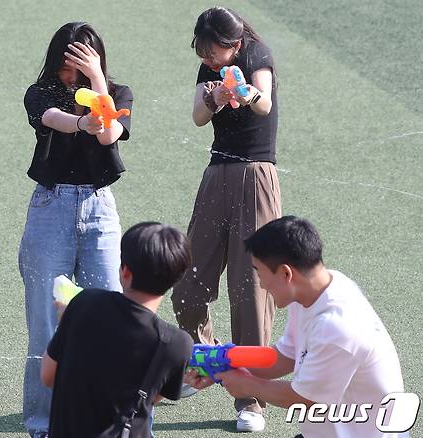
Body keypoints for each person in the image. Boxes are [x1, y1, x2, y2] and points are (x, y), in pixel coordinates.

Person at [185, 216, 408, 438]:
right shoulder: (317, 291)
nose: (261, 283)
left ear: (285, 273)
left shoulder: (336, 328)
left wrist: (246, 385)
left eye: (259, 272)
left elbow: (305, 399)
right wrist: (221, 363)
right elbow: (284, 357)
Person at [170, 6, 281, 432]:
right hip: (217, 173)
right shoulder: (209, 69)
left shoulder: (256, 56)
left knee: (249, 287)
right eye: (201, 51)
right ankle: (209, 360)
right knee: (187, 278)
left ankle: (250, 400)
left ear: (233, 45)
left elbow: (264, 102)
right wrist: (215, 96)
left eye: (212, 51)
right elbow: (199, 116)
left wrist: (246, 93)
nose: (206, 58)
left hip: (256, 175)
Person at [20, 22, 133, 438]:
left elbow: (110, 134)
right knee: (46, 321)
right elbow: (55, 120)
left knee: (108, 315)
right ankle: (42, 422)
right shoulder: (40, 93)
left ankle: (106, 417)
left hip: (99, 207)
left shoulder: (116, 94)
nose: (74, 74)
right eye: (69, 65)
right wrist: (82, 122)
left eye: (82, 64)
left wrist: (97, 78)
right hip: (51, 205)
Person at [41, 222, 197, 438]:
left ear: (125, 271)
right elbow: (146, 398)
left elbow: (48, 376)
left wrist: (68, 321)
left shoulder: (84, 303)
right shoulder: (177, 343)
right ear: (176, 279)